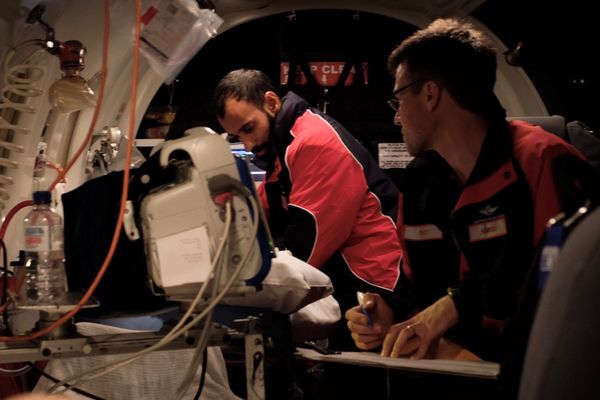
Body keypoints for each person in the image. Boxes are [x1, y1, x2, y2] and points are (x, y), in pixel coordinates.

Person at [345, 17, 599, 367]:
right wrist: (391, 313)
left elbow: (560, 285)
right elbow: (417, 286)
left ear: (430, 94)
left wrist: (456, 306)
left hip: (533, 365)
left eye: (398, 99)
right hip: (449, 368)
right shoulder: (418, 182)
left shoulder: (541, 160)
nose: (397, 118)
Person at [213, 69, 402, 348]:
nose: (248, 144)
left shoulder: (314, 141)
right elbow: (263, 212)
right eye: (238, 136)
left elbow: (308, 244)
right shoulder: (285, 145)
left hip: (372, 281)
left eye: (249, 129)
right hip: (350, 276)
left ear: (271, 103)